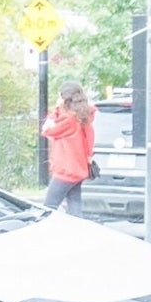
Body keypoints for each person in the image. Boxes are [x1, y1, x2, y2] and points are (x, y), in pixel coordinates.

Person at [42, 83, 96, 213]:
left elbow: (47, 130)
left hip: (66, 170)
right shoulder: (83, 117)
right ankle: (79, 232)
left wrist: (56, 109)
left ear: (64, 99)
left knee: (48, 207)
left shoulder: (68, 119)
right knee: (74, 206)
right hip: (79, 168)